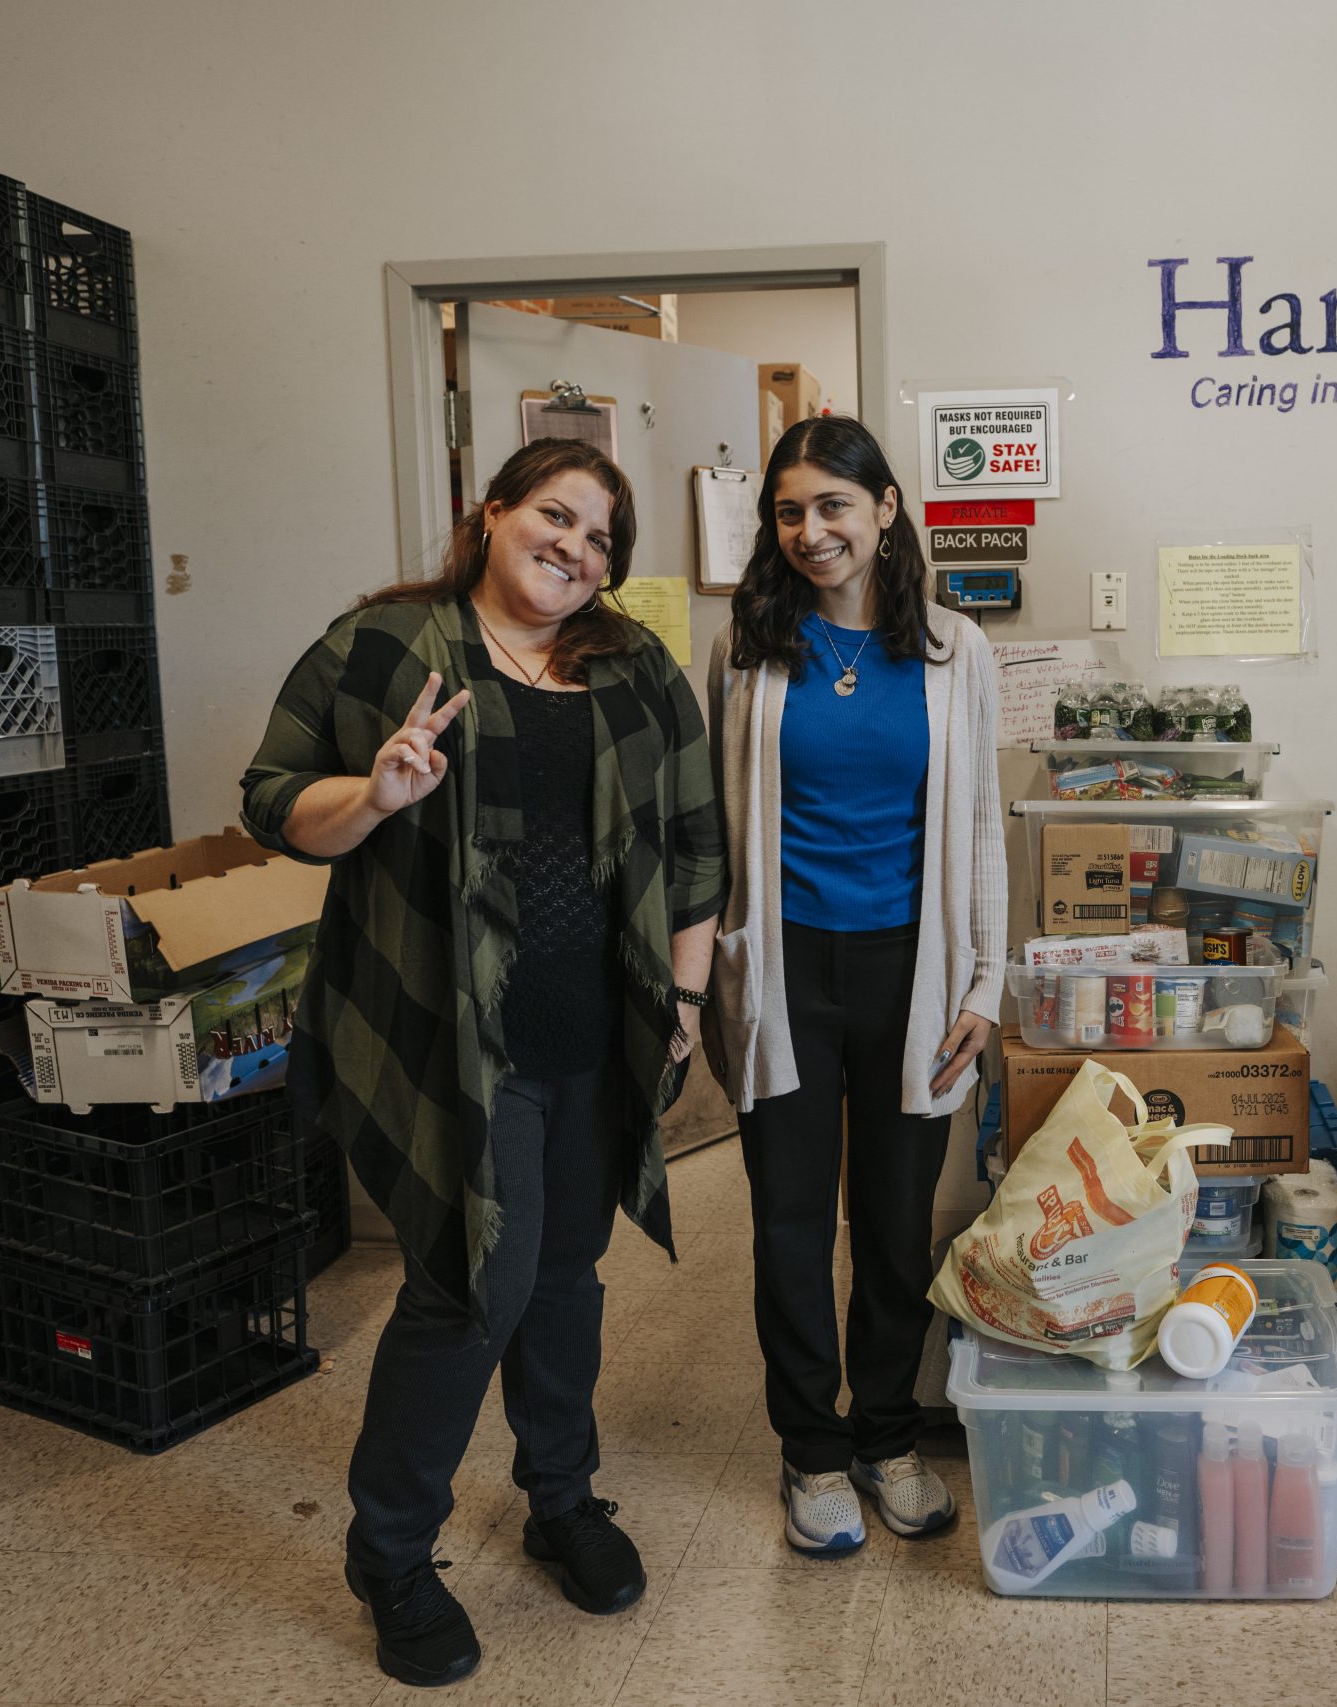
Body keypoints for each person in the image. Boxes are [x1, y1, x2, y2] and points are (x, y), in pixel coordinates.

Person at [241, 438, 725, 1687]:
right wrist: (377, 794)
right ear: (491, 513)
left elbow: (693, 842)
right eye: (554, 516)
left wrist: (682, 997)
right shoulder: (383, 648)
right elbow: (275, 803)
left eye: (601, 536)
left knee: (567, 1275)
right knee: (473, 1284)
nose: (574, 548)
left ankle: (559, 1498)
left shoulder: (634, 667)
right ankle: (391, 1556)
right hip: (453, 1035)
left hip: (595, 1029)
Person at [702, 416, 1004, 1558]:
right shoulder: (745, 650)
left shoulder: (951, 650)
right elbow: (711, 829)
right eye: (790, 511)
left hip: (910, 973)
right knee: (787, 1222)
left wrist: (986, 978)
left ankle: (886, 1432)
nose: (812, 529)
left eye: (834, 504)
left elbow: (977, 825)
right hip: (781, 970)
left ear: (884, 509)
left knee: (892, 1218)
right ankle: (810, 1451)